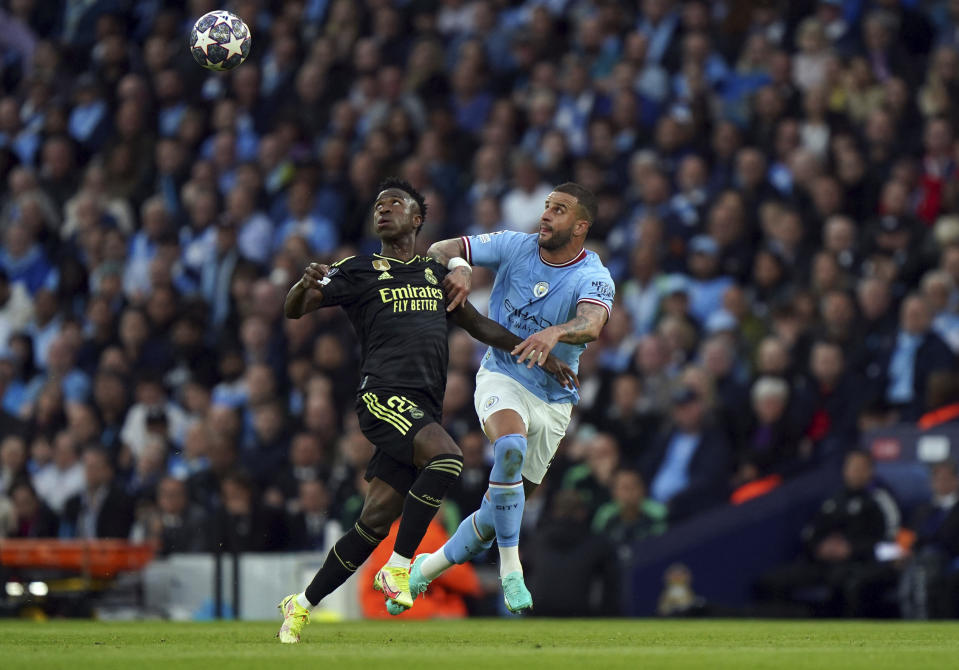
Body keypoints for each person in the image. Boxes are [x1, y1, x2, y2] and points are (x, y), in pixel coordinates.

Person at [276, 179, 575, 642]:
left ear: (418, 220)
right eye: (378, 204)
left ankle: (301, 603)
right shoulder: (359, 270)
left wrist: (537, 350)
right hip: (383, 395)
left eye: (395, 203)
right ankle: (399, 568)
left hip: (422, 409)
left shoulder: (436, 275)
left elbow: (478, 326)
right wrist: (302, 283)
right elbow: (296, 309)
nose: (384, 209)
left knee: (372, 523)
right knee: (448, 459)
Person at [412, 182, 614, 612]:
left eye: (558, 210)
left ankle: (423, 571)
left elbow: (592, 324)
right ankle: (511, 569)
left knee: (493, 517)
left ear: (580, 225)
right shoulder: (512, 245)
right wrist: (459, 265)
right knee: (509, 448)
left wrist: (555, 332)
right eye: (545, 206)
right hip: (502, 376)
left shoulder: (592, 275)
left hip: (555, 399)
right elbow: (439, 247)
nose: (545, 215)